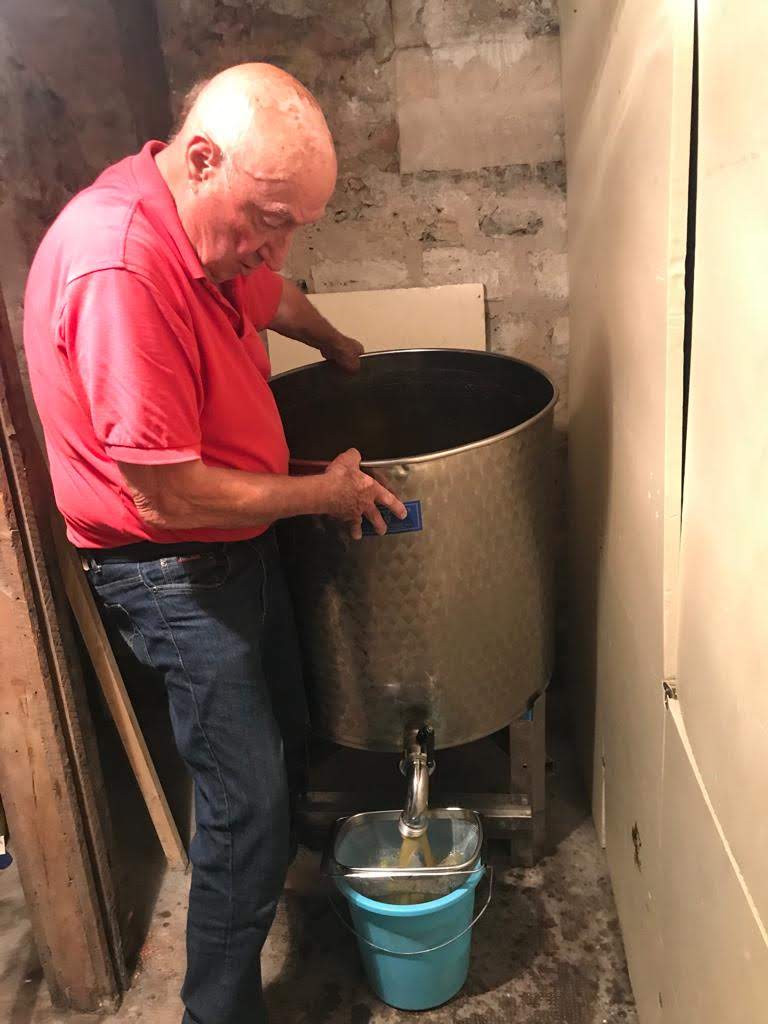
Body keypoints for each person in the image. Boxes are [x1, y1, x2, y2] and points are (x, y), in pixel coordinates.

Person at [23, 62, 406, 1024]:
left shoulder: (202, 231)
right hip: (172, 570)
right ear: (201, 160)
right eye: (269, 220)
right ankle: (215, 1010)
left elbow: (272, 295)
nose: (275, 246)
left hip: (235, 542)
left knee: (286, 734)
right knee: (243, 804)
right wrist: (322, 495)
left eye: (294, 225)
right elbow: (166, 497)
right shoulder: (122, 267)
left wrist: (333, 341)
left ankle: (288, 880)